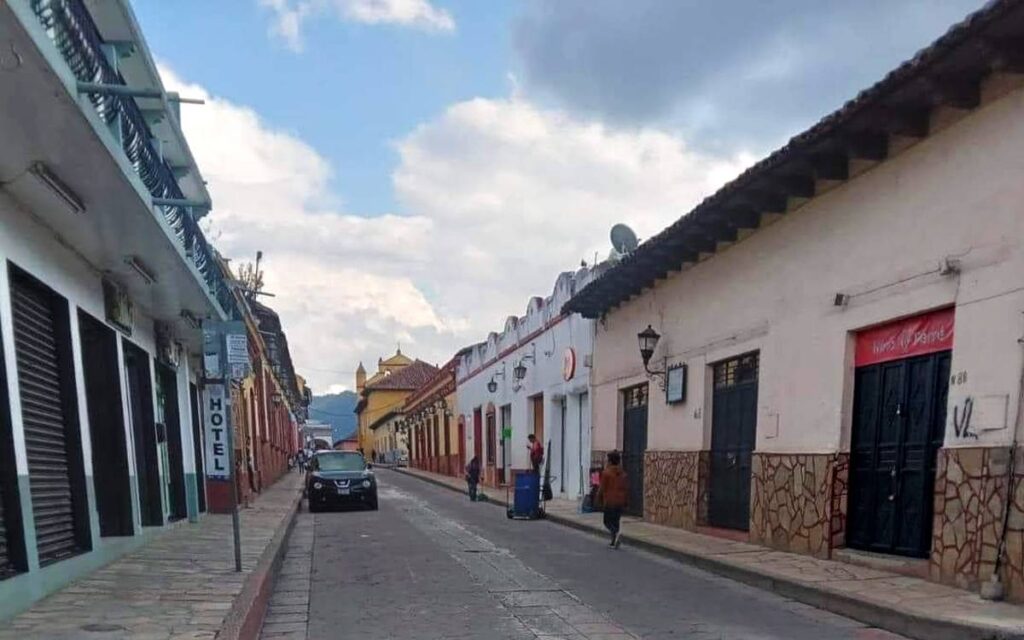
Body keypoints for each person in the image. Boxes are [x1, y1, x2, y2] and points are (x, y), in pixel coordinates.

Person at [596, 451, 628, 548]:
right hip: (620, 501)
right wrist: (626, 501)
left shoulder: (606, 473)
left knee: (607, 521)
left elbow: (602, 488)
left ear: (610, 461)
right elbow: (626, 488)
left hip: (610, 501)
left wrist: (597, 499)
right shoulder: (623, 474)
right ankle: (613, 541)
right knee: (615, 520)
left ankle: (616, 534)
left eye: (607, 460)